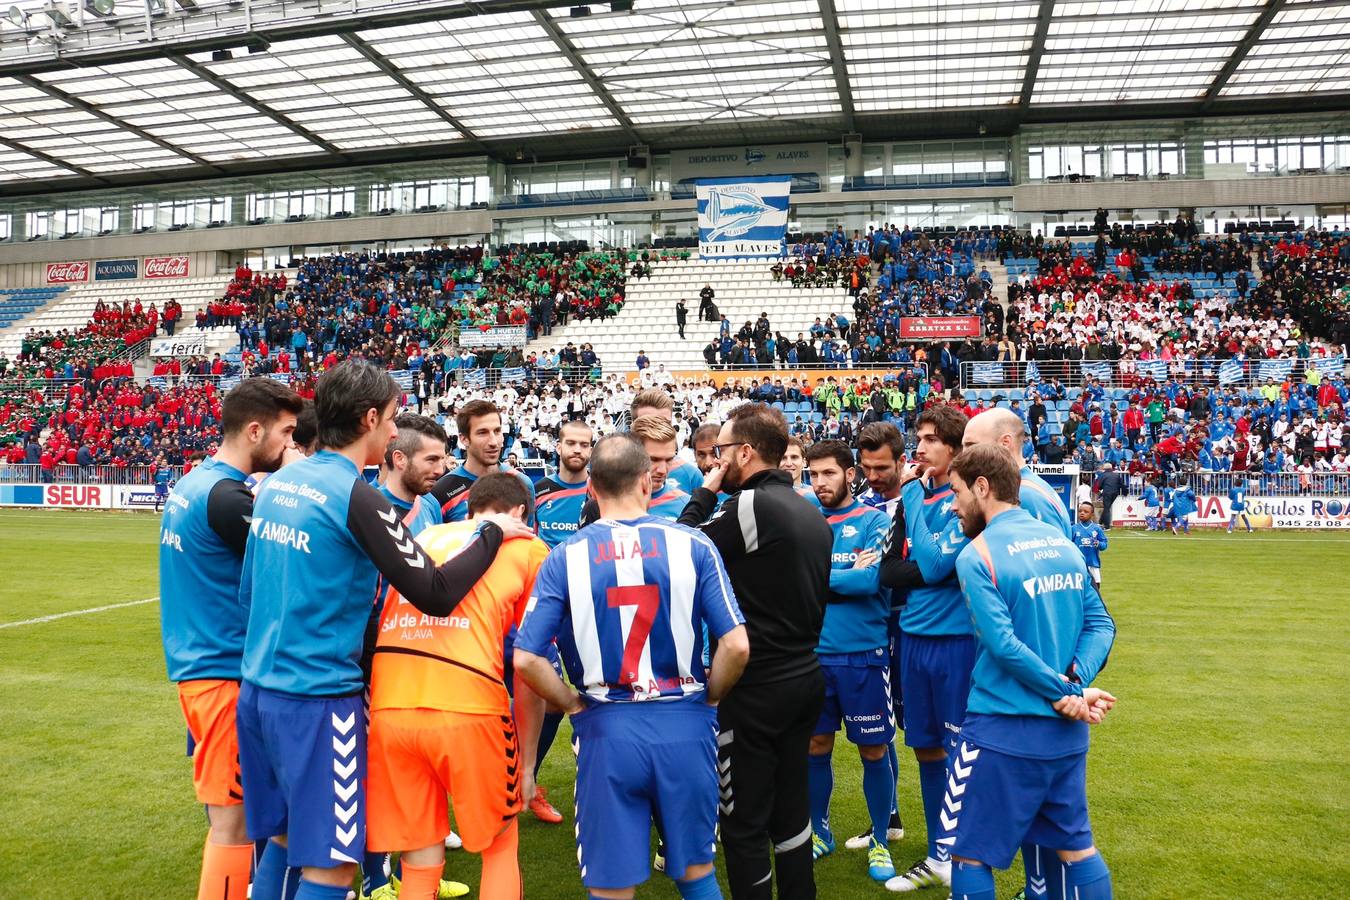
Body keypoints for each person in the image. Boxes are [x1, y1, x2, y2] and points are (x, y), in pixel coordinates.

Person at [235, 361, 534, 900]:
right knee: (331, 868)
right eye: (393, 419)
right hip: (318, 700)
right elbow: (436, 593)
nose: (396, 431)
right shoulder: (355, 495)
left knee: (281, 844)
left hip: (257, 692)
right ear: (371, 419)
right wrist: (488, 530)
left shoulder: (279, 483)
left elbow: (248, 596)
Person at [512, 433, 752, 900]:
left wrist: (572, 704)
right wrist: (712, 696)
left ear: (592, 489)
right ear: (647, 482)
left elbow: (526, 657)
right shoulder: (694, 546)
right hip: (685, 721)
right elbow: (737, 646)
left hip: (607, 725)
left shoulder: (565, 555)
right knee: (697, 873)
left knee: (611, 885)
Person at [941, 444, 1117, 900]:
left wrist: (1065, 688)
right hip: (1065, 733)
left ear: (982, 487)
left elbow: (1003, 646)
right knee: (1076, 848)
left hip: (1003, 727)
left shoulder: (976, 555)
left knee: (969, 853)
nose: (952, 503)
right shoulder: (1063, 543)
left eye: (956, 492)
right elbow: (1102, 623)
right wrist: (1074, 684)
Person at [676, 403, 834, 900]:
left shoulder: (748, 506)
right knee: (791, 812)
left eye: (721, 452)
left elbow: (681, 548)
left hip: (756, 683)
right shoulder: (811, 510)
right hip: (805, 675)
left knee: (743, 822)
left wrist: (705, 492)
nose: (713, 462)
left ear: (744, 452)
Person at [366, 473, 549, 900]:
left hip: (391, 708)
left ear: (470, 509)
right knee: (499, 843)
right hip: (469, 707)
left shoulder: (428, 535)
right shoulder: (526, 546)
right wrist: (526, 768)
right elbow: (529, 665)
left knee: (418, 856)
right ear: (520, 512)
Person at [158, 378, 303, 900]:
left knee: (253, 815)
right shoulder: (224, 497)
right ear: (255, 429)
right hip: (222, 674)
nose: (290, 444)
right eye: (286, 433)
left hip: (204, 667)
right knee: (234, 824)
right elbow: (291, 563)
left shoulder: (195, 484)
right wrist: (294, 485)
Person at [802, 441, 898, 883]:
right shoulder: (803, 523)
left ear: (850, 474)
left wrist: (814, 579)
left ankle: (881, 838)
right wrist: (840, 579)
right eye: (813, 474)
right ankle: (819, 831)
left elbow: (867, 581)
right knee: (815, 747)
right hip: (811, 656)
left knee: (873, 750)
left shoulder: (875, 520)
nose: (820, 482)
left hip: (862, 655)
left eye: (828, 473)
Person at [884, 405, 970, 895]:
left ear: (955, 449)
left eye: (932, 439)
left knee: (961, 751)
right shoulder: (913, 493)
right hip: (911, 637)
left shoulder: (962, 496)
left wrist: (916, 512)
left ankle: (961, 853)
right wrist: (914, 500)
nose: (920, 447)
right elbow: (888, 569)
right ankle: (939, 855)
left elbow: (936, 566)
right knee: (926, 748)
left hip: (957, 639)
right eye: (919, 437)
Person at [850, 422, 907, 851]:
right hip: (871, 629)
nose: (873, 476)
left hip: (914, 627)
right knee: (878, 730)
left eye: (882, 467)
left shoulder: (917, 501)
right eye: (867, 467)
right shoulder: (863, 507)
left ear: (901, 461)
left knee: (928, 734)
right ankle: (887, 817)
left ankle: (954, 834)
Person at [430, 399, 536, 525]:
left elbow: (528, 540)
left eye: (497, 431)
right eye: (482, 433)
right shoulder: (442, 491)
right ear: (464, 439)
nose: (494, 442)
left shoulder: (523, 483)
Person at [377, 414, 448, 538]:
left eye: (441, 460)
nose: (440, 471)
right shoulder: (369, 508)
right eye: (431, 460)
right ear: (400, 459)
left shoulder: (431, 503)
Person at [631, 389, 702, 495]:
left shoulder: (691, 475)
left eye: (665, 422)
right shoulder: (610, 473)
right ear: (633, 425)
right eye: (647, 422)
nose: (658, 428)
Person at [631, 415, 688, 519]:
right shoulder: (605, 503)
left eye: (669, 460)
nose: (662, 470)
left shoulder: (686, 506)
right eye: (653, 460)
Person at [1071, 502, 1108, 593]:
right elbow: (1069, 544)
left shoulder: (1096, 529)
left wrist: (1098, 544)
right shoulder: (1073, 528)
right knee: (1077, 587)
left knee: (1095, 588)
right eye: (1080, 511)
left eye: (1086, 511)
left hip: (1093, 563)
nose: (1082, 513)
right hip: (1078, 563)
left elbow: (1104, 544)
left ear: (1092, 515)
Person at [781, 435, 822, 507]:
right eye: (783, 458)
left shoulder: (817, 493)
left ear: (804, 462)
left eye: (794, 457)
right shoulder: (765, 496)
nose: (789, 464)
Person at [1092, 463, 1124, 529]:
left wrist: (1101, 489)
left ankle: (1107, 526)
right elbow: (1121, 484)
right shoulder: (1116, 475)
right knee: (1107, 507)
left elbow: (1099, 486)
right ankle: (1100, 522)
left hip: (1107, 493)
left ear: (1104, 468)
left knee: (1106, 508)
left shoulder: (1103, 475)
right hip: (1115, 493)